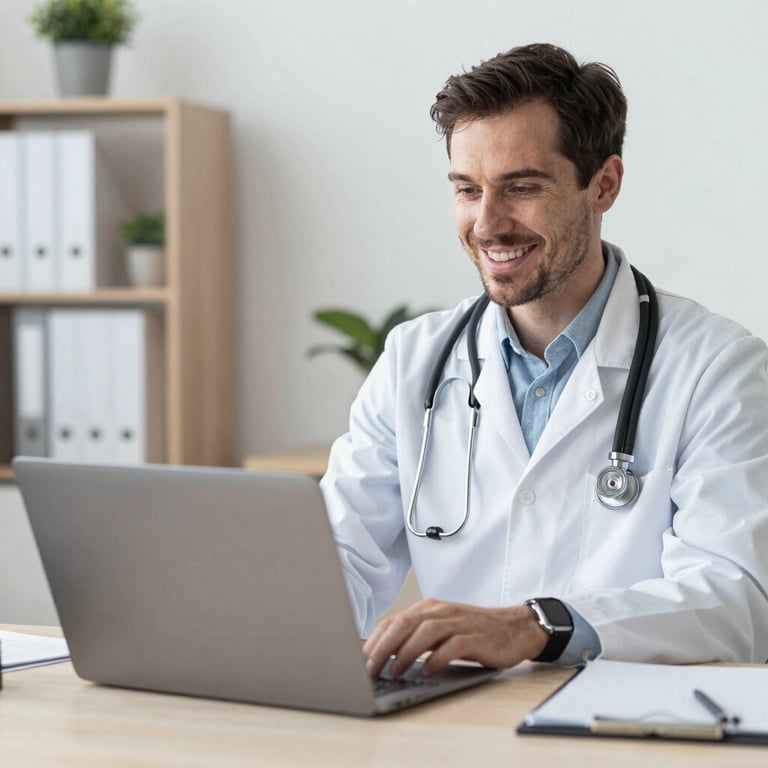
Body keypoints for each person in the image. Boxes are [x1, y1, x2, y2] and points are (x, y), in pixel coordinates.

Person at [319, 43, 768, 677]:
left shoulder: (717, 368)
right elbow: (338, 560)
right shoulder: (414, 360)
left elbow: (735, 602)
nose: (487, 223)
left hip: (625, 728)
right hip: (456, 725)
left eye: (521, 188)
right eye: (467, 190)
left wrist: (535, 627)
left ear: (603, 185)